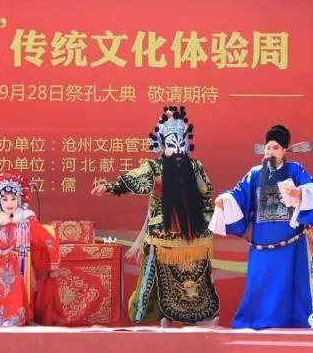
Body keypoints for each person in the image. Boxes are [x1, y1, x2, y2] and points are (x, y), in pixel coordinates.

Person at [91, 106, 219, 327]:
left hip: (189, 231)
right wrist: (109, 186)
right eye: (172, 144)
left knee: (194, 274)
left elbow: (205, 192)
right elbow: (132, 181)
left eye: (179, 144)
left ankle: (198, 316)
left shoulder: (191, 166)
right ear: (163, 145)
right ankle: (167, 315)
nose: (176, 149)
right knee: (165, 273)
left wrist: (208, 213)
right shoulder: (159, 167)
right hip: (171, 230)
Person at [211, 125, 313, 329]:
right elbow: (239, 193)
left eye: (275, 147)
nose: (270, 151)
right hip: (261, 243)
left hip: (290, 244)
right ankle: (253, 321)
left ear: (284, 150)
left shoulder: (294, 169)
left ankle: (291, 322)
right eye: (268, 147)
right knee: (258, 282)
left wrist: (299, 193)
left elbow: (312, 189)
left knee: (289, 284)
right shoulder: (255, 174)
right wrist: (225, 200)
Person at [0, 171, 59, 326]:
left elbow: (49, 241)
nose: (10, 203)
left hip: (22, 268)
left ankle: (20, 318)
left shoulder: (27, 222)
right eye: (5, 199)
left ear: (19, 200)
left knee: (19, 279)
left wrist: (54, 265)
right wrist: (0, 253)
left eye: (13, 198)